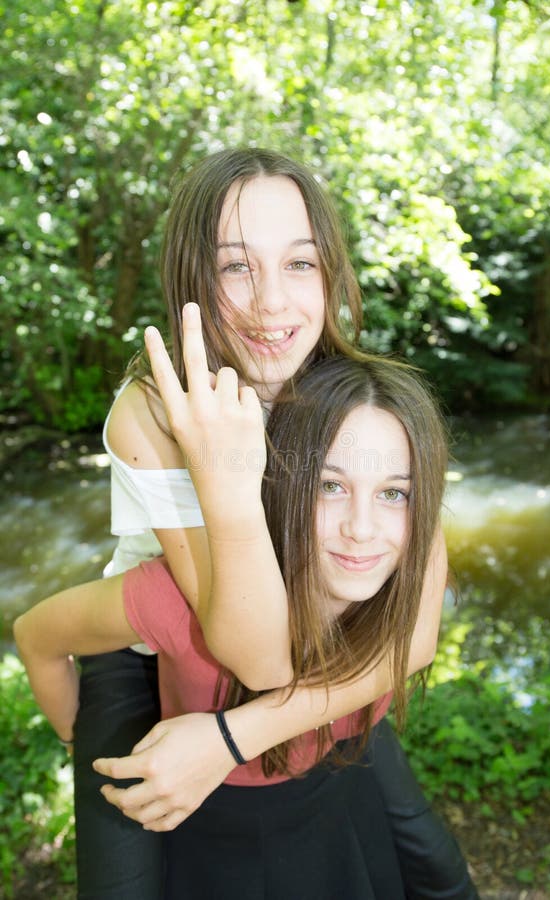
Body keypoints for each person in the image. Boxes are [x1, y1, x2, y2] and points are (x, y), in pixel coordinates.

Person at [66, 148, 477, 897]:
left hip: (317, 635)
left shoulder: (349, 392)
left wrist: (232, 738)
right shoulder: (155, 410)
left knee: (433, 868)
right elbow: (255, 657)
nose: (271, 305)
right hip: (159, 643)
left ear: (331, 274)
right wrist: (224, 478)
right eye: (235, 267)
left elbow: (414, 635)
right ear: (192, 279)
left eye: (299, 264)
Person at [16, 355, 459, 899]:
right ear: (283, 487)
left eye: (394, 493)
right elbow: (36, 635)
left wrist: (236, 737)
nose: (362, 530)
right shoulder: (181, 599)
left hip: (330, 794)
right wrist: (76, 737)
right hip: (206, 826)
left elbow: (415, 647)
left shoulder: (405, 579)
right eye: (329, 487)